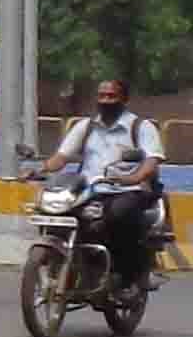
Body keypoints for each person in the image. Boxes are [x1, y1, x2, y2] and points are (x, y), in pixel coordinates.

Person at [46, 76, 166, 280]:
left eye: (112, 96)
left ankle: (126, 275)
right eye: (102, 96)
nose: (106, 101)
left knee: (117, 217)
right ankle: (70, 265)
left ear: (124, 99)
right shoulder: (86, 126)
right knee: (57, 214)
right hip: (89, 190)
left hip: (126, 190)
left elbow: (152, 160)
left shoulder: (141, 127)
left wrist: (134, 178)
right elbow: (61, 157)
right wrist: (39, 170)